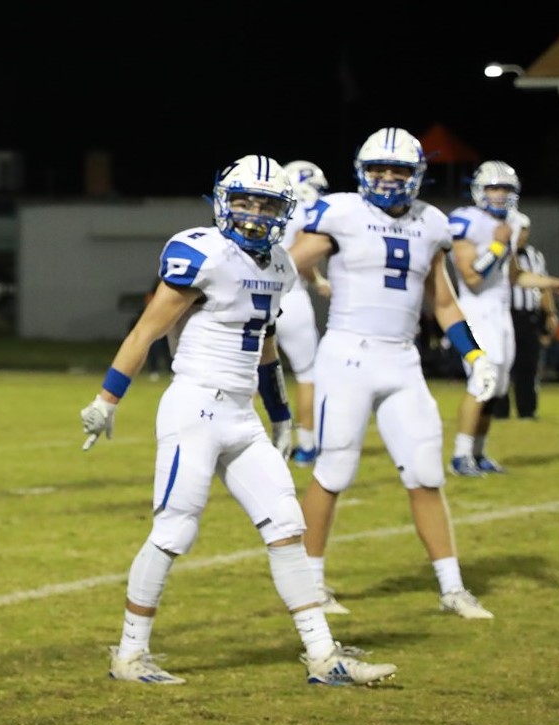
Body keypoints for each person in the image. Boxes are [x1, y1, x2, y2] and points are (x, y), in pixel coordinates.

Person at [80, 154, 396, 687]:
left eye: (266, 204)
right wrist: (107, 400)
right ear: (223, 202)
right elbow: (145, 332)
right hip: (195, 407)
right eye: (245, 201)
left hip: (240, 414)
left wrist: (280, 415)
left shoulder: (279, 265)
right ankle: (130, 654)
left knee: (287, 525)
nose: (254, 214)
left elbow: (266, 345)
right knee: (175, 530)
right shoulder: (203, 254)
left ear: (282, 211)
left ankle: (323, 655)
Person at [286, 128, 499, 620]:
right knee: (333, 471)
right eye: (377, 169)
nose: (386, 178)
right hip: (347, 354)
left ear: (415, 174)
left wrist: (475, 356)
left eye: (397, 169)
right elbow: (287, 264)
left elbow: (444, 302)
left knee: (425, 473)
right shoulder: (340, 213)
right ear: (362, 172)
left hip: (402, 359)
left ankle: (452, 588)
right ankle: (311, 586)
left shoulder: (432, 223)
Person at [444, 162, 559, 475]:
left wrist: (551, 282)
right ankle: (460, 455)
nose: (500, 194)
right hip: (476, 310)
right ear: (479, 190)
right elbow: (472, 277)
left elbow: (514, 276)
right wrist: (498, 244)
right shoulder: (467, 221)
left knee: (498, 387)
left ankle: (478, 452)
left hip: (500, 313)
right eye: (493, 188)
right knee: (482, 381)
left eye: (506, 189)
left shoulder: (512, 222)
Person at [274, 159, 330, 467]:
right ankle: (307, 445)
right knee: (308, 375)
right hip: (291, 298)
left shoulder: (270, 206)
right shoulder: (306, 212)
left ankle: (248, 443)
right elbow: (302, 257)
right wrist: (319, 280)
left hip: (258, 296)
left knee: (249, 375)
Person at [500, 213, 559, 419]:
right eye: (518, 230)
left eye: (524, 230)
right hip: (504, 314)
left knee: (529, 365)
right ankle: (499, 411)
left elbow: (543, 288)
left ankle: (527, 410)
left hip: (528, 317)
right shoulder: (498, 252)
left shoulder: (535, 256)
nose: (521, 234)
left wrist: (550, 313)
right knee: (502, 363)